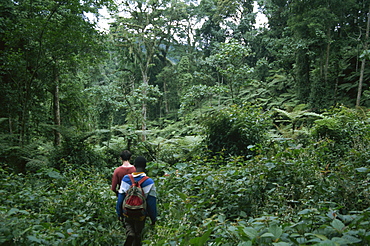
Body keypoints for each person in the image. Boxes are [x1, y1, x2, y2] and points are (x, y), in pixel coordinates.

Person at [116, 156, 157, 246]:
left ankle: (130, 233)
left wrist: (119, 213)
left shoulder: (126, 179)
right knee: (138, 233)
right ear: (145, 167)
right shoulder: (149, 182)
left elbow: (120, 198)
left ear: (134, 166)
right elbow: (151, 203)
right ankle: (136, 238)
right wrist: (153, 218)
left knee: (128, 224)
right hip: (141, 213)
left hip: (127, 211)